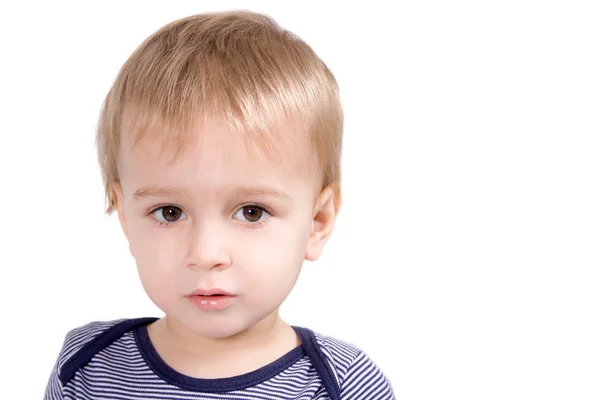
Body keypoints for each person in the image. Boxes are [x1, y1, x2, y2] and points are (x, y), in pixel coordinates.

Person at [44, 10, 395, 399]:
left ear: (317, 220)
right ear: (125, 216)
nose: (206, 254)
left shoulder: (341, 386)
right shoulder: (87, 368)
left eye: (252, 212)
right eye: (170, 212)